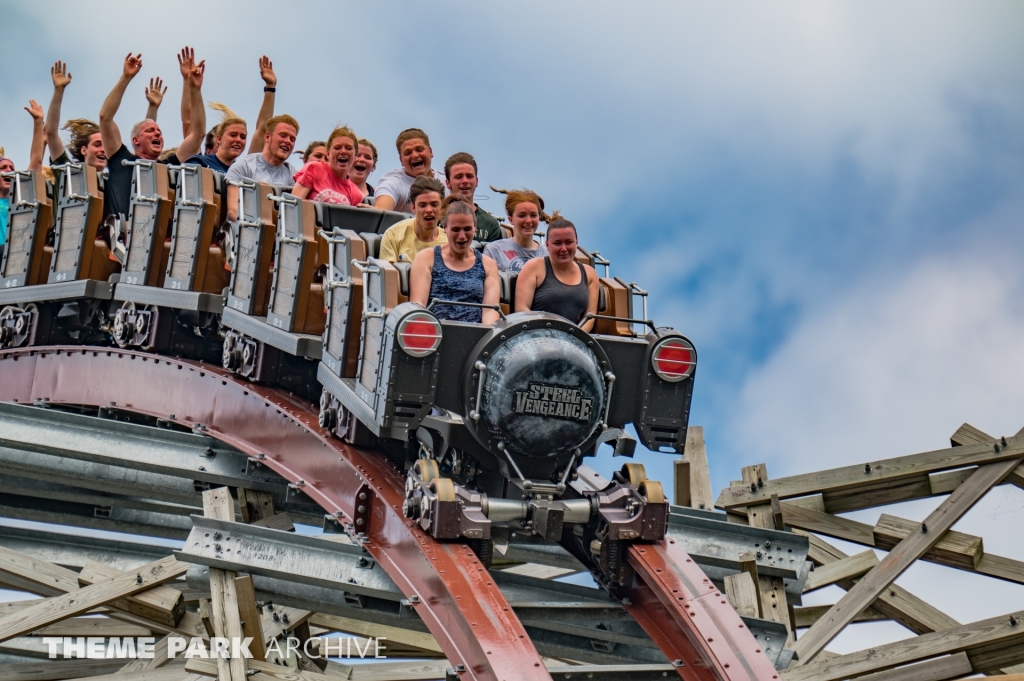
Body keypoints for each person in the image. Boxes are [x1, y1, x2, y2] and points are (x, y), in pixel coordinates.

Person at [99, 50, 206, 221]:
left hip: (156, 240)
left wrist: (196, 89)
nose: (157, 133)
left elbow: (197, 134)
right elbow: (105, 117)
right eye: (150, 130)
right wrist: (126, 77)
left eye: (159, 132)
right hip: (121, 239)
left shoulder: (167, 166)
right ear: (136, 140)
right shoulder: (122, 160)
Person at [410, 194, 499, 324]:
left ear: (475, 228)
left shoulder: (488, 264)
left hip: (476, 337)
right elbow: (418, 306)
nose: (462, 236)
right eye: (456, 230)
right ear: (445, 228)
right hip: (435, 334)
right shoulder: (426, 258)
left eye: (467, 229)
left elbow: (490, 311)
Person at [515, 214, 599, 331]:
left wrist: (572, 339)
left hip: (574, 342)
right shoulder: (533, 267)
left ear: (576, 243)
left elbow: (589, 318)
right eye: (557, 243)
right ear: (547, 245)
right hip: (536, 337)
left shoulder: (590, 274)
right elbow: (521, 309)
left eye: (569, 242)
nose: (563, 249)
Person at [43, 61, 106, 197]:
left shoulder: (112, 184)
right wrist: (59, 90)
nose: (103, 149)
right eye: (97, 144)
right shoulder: (68, 174)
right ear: (84, 150)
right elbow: (51, 133)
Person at [224, 114, 299, 221]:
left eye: (292, 139)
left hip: (278, 233)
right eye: (283, 135)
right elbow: (233, 211)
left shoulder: (292, 174)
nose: (288, 141)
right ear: (267, 137)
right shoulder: (244, 166)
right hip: (246, 231)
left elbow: (294, 216)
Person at [372, 128, 445, 212]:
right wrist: (377, 211)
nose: (414, 155)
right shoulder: (394, 182)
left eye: (419, 149)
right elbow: (382, 209)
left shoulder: (447, 181)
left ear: (430, 152)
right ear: (401, 160)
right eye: (408, 153)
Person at [378, 176, 447, 263]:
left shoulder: (449, 240)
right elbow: (388, 274)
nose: (429, 210)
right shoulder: (393, 234)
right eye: (423, 205)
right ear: (413, 207)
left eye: (434, 204)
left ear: (442, 207)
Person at [291, 126, 363, 206]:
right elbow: (293, 205)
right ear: (328, 154)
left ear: (356, 155)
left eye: (349, 148)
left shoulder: (356, 194)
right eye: (337, 148)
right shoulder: (313, 168)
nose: (343, 151)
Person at [483, 186, 546, 273]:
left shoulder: (548, 254)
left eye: (533, 215)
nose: (528, 221)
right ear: (511, 219)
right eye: (522, 215)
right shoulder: (494, 250)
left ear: (539, 218)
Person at [443, 152, 501, 242]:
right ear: (447, 183)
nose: (465, 181)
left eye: (469, 176)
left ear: (476, 181)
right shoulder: (436, 218)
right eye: (458, 177)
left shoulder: (490, 224)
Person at [185, 103, 248, 173]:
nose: (238, 140)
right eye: (233, 135)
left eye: (243, 137)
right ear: (219, 139)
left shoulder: (242, 174)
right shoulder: (199, 163)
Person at [0, 154, 13, 248]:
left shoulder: (21, 203)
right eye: (3, 167)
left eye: (12, 168)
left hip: (15, 255)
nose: (9, 170)